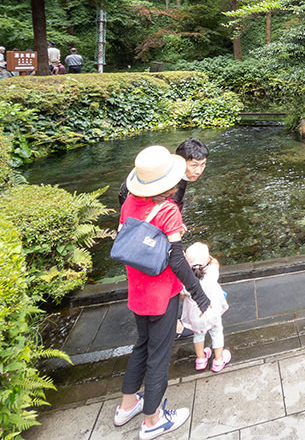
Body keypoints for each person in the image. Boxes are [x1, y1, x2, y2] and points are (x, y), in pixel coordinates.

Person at [115, 145, 211, 439]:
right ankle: (153, 420)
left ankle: (126, 406)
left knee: (141, 346)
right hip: (161, 294)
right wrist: (199, 294)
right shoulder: (168, 210)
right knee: (158, 354)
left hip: (137, 290)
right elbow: (177, 260)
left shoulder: (129, 202)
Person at [180, 241, 231, 373]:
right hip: (212, 312)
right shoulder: (212, 273)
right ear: (207, 260)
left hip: (195, 317)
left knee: (198, 335)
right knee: (217, 333)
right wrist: (210, 260)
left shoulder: (185, 280)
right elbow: (215, 263)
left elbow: (181, 295)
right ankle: (218, 360)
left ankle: (201, 360)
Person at [119, 138, 208, 211]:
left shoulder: (173, 161)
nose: (198, 171)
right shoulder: (170, 179)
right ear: (183, 162)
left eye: (203, 164)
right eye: (194, 165)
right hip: (130, 195)